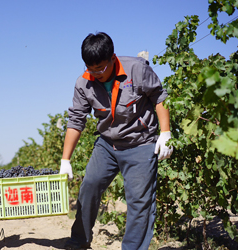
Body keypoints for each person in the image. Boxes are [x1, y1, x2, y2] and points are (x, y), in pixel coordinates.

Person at [60, 32, 173, 250]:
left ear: (113, 58)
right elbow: (76, 120)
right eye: (90, 69)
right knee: (89, 187)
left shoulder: (136, 69)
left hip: (139, 143)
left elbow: (159, 97)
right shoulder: (83, 82)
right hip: (107, 145)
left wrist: (165, 133)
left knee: (139, 201)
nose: (96, 74)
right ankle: (79, 241)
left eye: (100, 68)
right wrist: (66, 159)